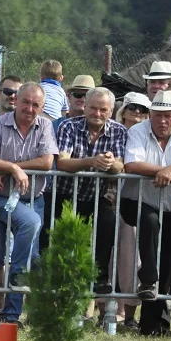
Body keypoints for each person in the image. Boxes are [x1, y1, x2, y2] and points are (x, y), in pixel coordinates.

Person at [0, 82, 58, 325]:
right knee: (4, 252)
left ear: (42, 107)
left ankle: (14, 315)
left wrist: (11, 168)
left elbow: (46, 162)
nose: (30, 109)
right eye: (26, 102)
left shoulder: (45, 126)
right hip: (1, 199)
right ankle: (2, 309)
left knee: (31, 256)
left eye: (36, 105)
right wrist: (10, 167)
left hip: (34, 199)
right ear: (16, 101)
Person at [55, 87, 127, 295]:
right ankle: (59, 281)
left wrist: (110, 163)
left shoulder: (118, 130)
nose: (97, 113)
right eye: (93, 108)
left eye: (102, 109)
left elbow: (120, 166)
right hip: (65, 194)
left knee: (107, 223)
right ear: (84, 107)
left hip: (98, 196)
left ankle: (98, 276)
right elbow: (62, 162)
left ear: (111, 110)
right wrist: (92, 162)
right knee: (60, 240)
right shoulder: (69, 126)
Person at [120, 90, 171, 335]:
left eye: (168, 116)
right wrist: (164, 171)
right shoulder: (137, 131)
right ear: (150, 115)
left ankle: (155, 324)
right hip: (138, 202)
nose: (162, 121)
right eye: (157, 115)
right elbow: (132, 164)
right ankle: (148, 277)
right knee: (150, 221)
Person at [113, 92, 152, 329]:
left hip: (135, 203)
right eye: (133, 108)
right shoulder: (116, 133)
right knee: (107, 260)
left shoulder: (147, 137)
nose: (137, 113)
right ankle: (106, 313)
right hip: (109, 203)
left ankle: (128, 315)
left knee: (131, 260)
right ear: (123, 111)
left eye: (142, 110)